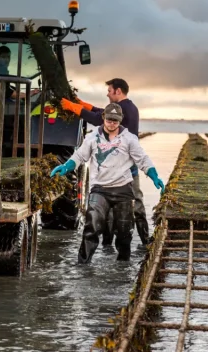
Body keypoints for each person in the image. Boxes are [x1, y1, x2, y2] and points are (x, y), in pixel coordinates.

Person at [50, 103, 165, 263]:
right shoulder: (92, 138)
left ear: (121, 121)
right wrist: (65, 167)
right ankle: (83, 267)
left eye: (116, 121)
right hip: (100, 190)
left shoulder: (129, 139)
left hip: (123, 190)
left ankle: (123, 267)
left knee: (125, 233)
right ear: (103, 117)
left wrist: (154, 176)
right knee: (91, 228)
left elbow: (143, 160)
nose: (112, 124)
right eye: (109, 120)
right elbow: (79, 157)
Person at [60, 78, 150, 246]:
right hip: (123, 166)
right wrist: (84, 104)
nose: (107, 93)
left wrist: (74, 107)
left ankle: (135, 241)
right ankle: (124, 243)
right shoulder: (130, 107)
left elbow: (97, 119)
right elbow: (101, 112)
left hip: (125, 168)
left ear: (118, 91)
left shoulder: (124, 109)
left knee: (133, 203)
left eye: (109, 90)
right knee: (129, 203)